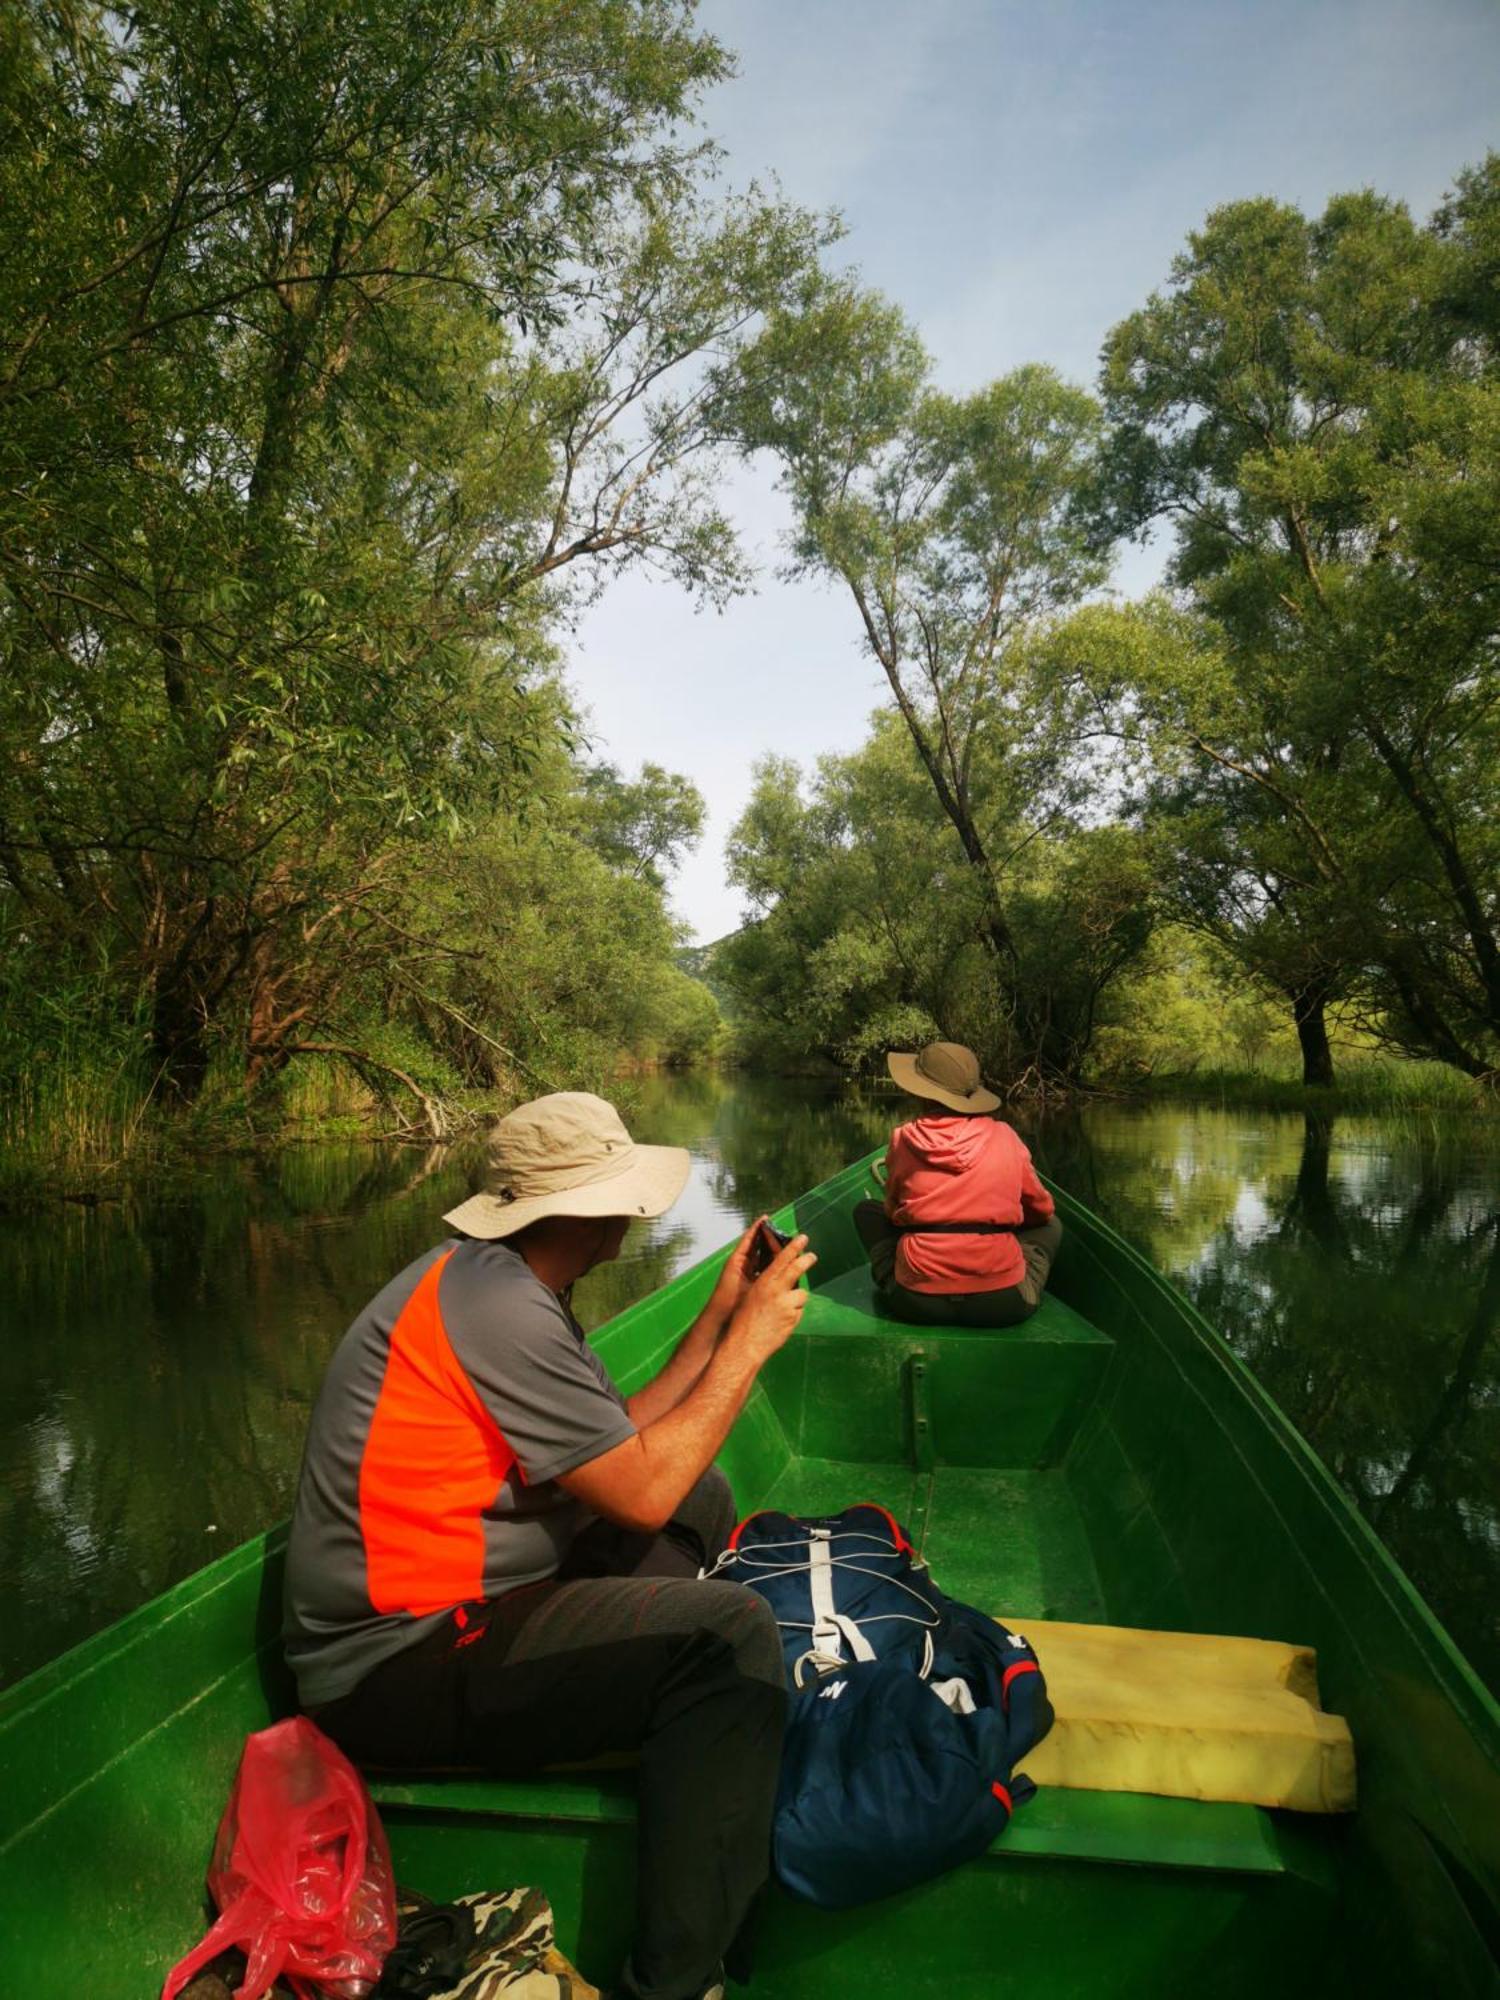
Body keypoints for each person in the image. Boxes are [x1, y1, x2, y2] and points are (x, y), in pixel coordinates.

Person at [283, 1091, 816, 2000]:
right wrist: (752, 1347)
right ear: (582, 1211)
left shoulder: (504, 1284)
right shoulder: (500, 1309)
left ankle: (666, 1712)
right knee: (729, 1637)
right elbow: (642, 1495)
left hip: (481, 1604)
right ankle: (679, 1984)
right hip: (398, 1663)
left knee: (707, 1489)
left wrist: (720, 1319)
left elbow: (624, 1444)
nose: (635, 1211)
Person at [853, 1040, 1061, 1328]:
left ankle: (892, 1281)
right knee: (1052, 1225)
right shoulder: (1005, 1136)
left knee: (866, 1212)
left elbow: (892, 1213)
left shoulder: (903, 1139)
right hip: (1002, 1304)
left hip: (915, 1303)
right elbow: (1042, 1210)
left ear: (921, 1093)